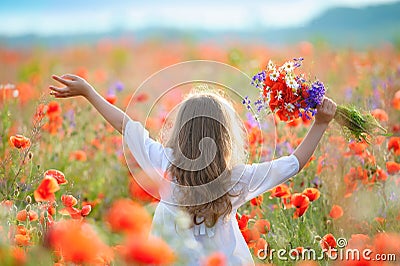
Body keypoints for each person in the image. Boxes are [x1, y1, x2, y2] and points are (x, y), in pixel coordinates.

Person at [50, 74, 337, 265]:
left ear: (179, 131)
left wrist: (89, 92)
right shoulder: (236, 180)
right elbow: (293, 164)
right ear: (225, 135)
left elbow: (127, 127)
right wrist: (321, 123)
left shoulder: (164, 163)